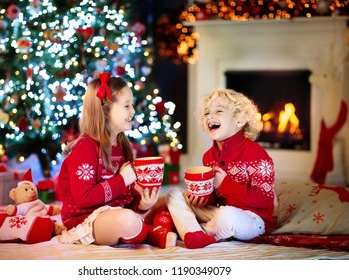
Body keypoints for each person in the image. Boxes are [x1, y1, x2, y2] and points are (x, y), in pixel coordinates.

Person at [57, 72, 176, 248]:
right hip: (86, 219)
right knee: (127, 219)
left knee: (170, 197)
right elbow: (84, 198)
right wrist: (121, 180)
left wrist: (143, 204)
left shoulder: (122, 146)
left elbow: (126, 196)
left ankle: (152, 226)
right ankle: (152, 232)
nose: (133, 111)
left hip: (116, 212)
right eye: (127, 106)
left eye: (132, 105)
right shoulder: (85, 148)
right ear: (105, 111)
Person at [166, 88, 276, 249]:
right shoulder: (208, 156)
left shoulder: (256, 153)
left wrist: (224, 183)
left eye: (218, 111)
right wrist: (204, 199)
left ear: (239, 120)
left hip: (252, 219)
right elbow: (216, 199)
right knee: (173, 194)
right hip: (219, 211)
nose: (210, 116)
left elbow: (264, 199)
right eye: (206, 113)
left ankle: (197, 231)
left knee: (227, 216)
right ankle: (193, 233)